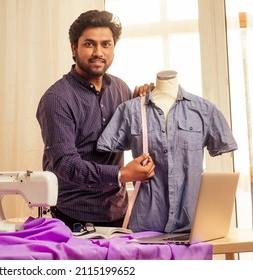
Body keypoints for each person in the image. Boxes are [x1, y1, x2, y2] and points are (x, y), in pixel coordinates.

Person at [36, 10, 155, 230]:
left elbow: (128, 139)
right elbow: (66, 165)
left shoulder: (121, 89)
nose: (98, 52)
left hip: (119, 213)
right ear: (74, 48)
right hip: (72, 217)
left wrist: (141, 106)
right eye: (89, 44)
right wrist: (122, 174)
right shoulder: (56, 99)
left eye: (106, 44)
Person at [97, 70, 238, 233]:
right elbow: (105, 148)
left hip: (192, 224)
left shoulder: (205, 110)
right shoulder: (130, 110)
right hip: (146, 225)